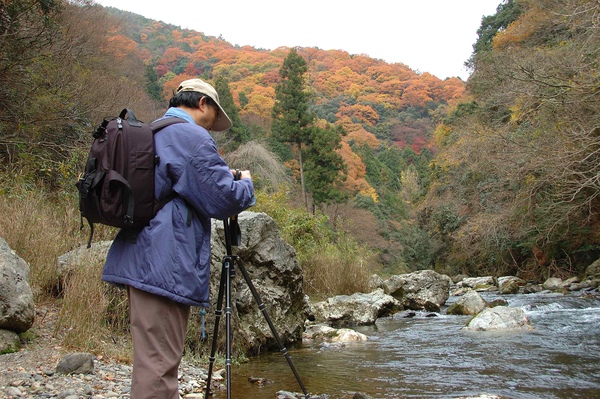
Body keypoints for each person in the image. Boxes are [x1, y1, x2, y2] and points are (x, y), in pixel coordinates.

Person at [102, 78, 255, 399]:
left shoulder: (156, 131)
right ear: (202, 103)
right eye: (214, 118)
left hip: (142, 258)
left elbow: (183, 184)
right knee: (159, 367)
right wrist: (246, 184)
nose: (212, 128)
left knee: (153, 361)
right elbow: (221, 199)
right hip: (164, 263)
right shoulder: (190, 135)